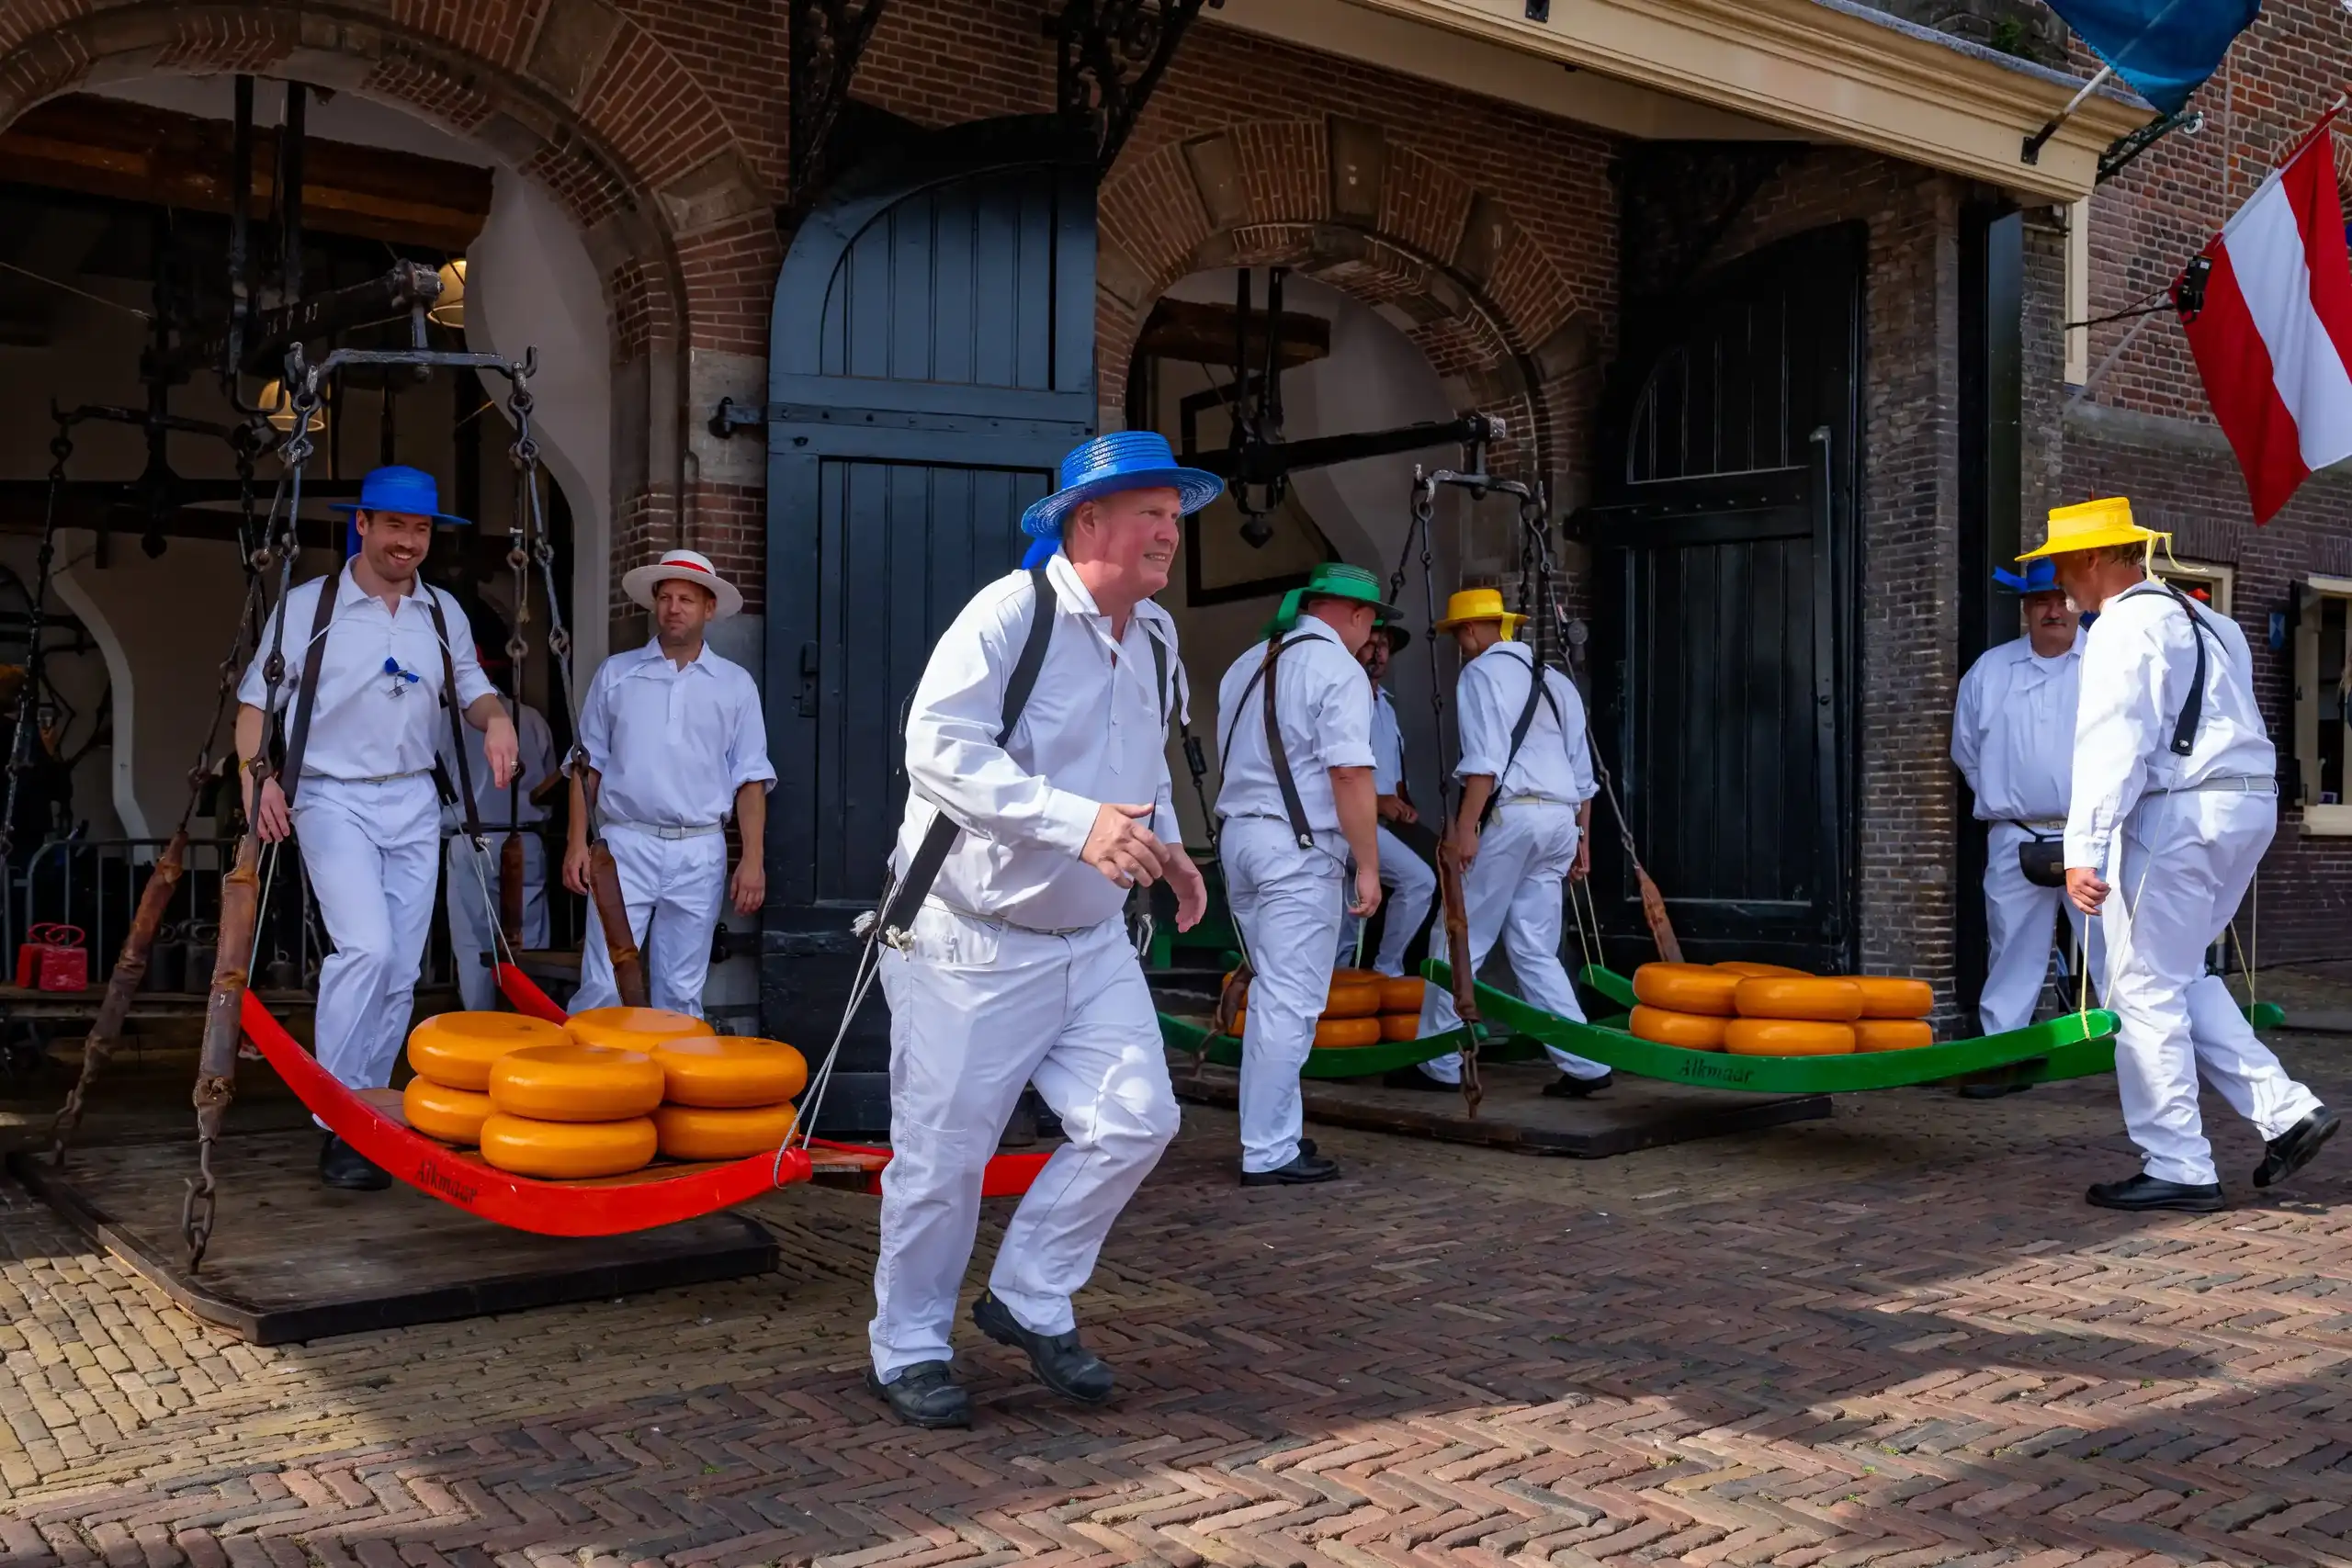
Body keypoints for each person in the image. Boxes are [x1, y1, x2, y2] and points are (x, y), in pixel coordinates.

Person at [867, 431, 1210, 1430]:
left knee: (1138, 1119)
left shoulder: (1154, 636)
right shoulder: (1008, 614)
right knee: (944, 1158)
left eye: (1175, 516)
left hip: (1092, 941)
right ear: (1084, 521)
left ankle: (1027, 1293)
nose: (1169, 532)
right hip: (969, 941)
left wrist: (1168, 847)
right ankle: (910, 1347)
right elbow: (935, 750)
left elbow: (1138, 768)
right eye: (1150, 511)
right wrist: (1078, 823)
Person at [2038, 497, 2336, 1212]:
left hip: (2181, 815)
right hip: (2245, 805)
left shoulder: (2121, 628)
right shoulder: (2210, 619)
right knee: (2179, 973)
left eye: (2059, 563)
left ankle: (2177, 1160)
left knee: (2140, 987)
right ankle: (2287, 1110)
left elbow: (2114, 740)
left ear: (2091, 559)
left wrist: (2085, 846)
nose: (2056, 580)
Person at [232, 465, 517, 1191]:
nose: (408, 543)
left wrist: (499, 722)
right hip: (331, 797)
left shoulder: (441, 612)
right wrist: (255, 778)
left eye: (420, 530)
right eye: (395, 526)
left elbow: (473, 689)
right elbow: (256, 708)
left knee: (400, 967)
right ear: (362, 524)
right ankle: (340, 1117)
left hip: (414, 800)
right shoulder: (310, 604)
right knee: (366, 947)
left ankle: (372, 1114)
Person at [1215, 560, 1394, 1186]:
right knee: (1289, 1002)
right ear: (1351, 612)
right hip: (1296, 849)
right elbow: (1349, 772)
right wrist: (1368, 866)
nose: (1371, 635)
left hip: (1240, 837)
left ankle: (1280, 1133)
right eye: (1372, 620)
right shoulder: (1336, 668)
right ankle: (1266, 1149)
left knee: (1274, 994)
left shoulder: (1248, 662)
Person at [1407, 588, 1610, 1097]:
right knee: (1536, 949)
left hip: (1511, 819)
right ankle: (1586, 1063)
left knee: (1456, 935)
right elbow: (1583, 775)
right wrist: (1583, 838)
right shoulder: (1558, 683)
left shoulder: (1479, 675)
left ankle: (1438, 1063)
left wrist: (1465, 830)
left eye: (1459, 634)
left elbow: (1484, 763)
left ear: (1473, 631)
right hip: (1560, 821)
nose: (1459, 643)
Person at [563, 550, 773, 1018]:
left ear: (708, 609)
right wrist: (577, 843)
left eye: (687, 599)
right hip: (623, 843)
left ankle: (670, 1091)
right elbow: (586, 766)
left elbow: (751, 778)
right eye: (666, 597)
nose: (674, 608)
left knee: (681, 994)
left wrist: (752, 860)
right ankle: (595, 1090)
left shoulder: (735, 685)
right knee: (603, 984)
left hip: (700, 848)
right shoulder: (616, 674)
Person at [1951, 558, 2098, 1056]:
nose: (2052, 610)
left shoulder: (2108, 663)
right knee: (2012, 947)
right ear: (2026, 609)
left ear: (2078, 604)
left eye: (2061, 600)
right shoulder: (1990, 671)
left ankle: (2144, 1059)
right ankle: (2003, 1054)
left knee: (2117, 949)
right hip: (2016, 834)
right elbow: (1965, 750)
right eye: (2040, 602)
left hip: (2096, 834)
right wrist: (2008, 797)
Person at [440, 663, 559, 1011]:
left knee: (474, 946)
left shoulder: (445, 722)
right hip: (526, 839)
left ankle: (482, 1028)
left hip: (468, 841)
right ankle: (534, 1027)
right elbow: (549, 786)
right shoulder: (532, 719)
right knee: (532, 944)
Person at [1334, 621, 1436, 978]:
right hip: (1348, 818)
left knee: (1348, 915)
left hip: (1380, 824)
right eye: (1371, 644)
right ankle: (1386, 970)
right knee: (1419, 881)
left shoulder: (1386, 707)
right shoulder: (1345, 696)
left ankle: (1342, 985)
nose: (1377, 654)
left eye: (1384, 647)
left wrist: (1401, 804)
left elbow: (1391, 773)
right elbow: (1340, 769)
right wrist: (1378, 801)